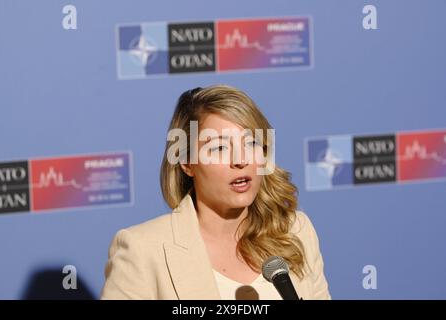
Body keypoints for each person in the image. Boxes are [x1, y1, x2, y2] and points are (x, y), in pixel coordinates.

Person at [101, 85, 331, 300]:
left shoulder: (296, 231)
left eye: (251, 143)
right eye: (219, 148)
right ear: (187, 163)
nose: (240, 160)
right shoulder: (142, 250)